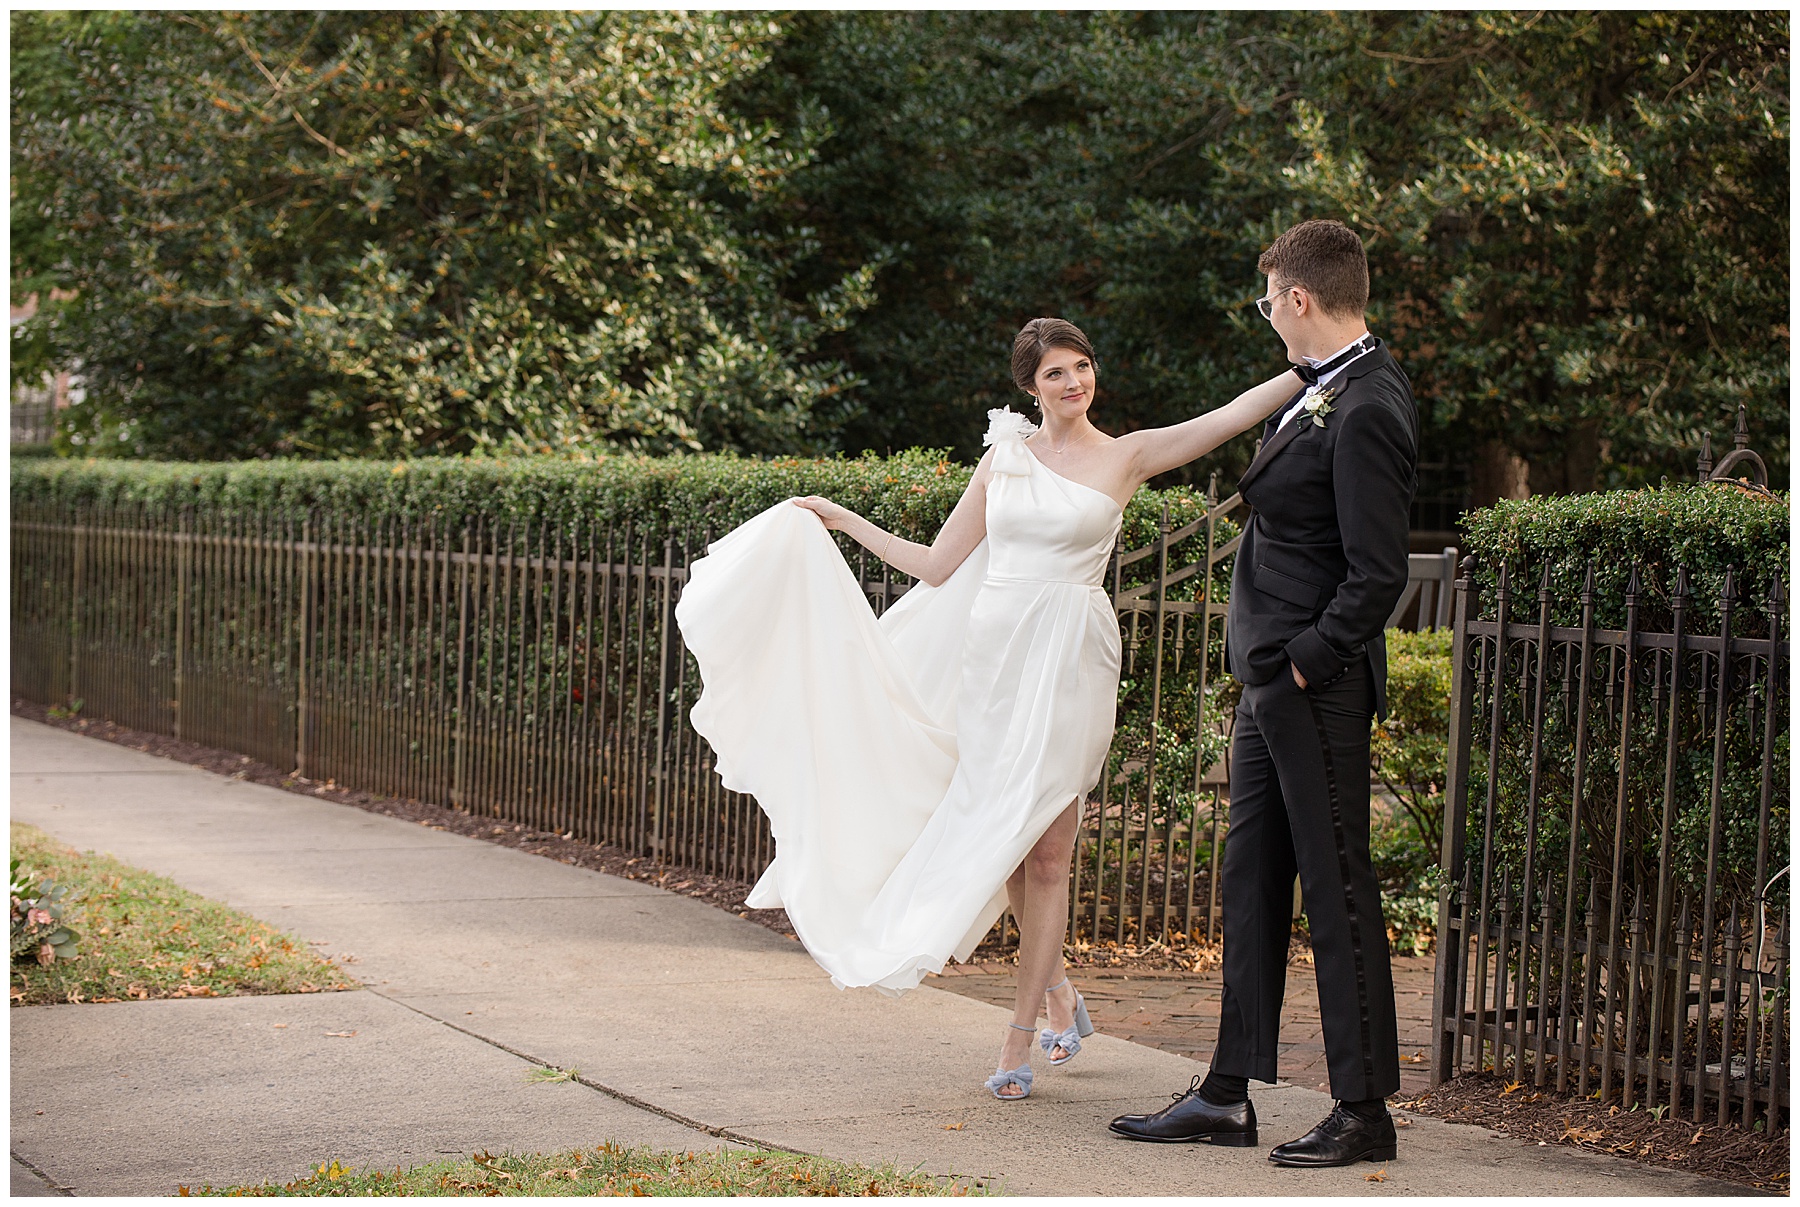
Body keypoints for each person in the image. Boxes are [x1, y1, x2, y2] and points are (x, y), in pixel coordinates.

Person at [675, 318, 1297, 1100]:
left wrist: (1311, 367)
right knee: (1004, 838)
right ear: (1029, 389)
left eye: (1082, 367)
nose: (1074, 383)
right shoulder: (1005, 458)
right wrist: (840, 519)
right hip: (995, 660)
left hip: (1071, 659)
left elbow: (1226, 418)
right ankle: (1063, 995)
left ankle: (1019, 1033)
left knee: (1047, 852)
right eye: (1055, 375)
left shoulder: (1125, 454)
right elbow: (937, 565)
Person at [1107, 219, 1418, 1164]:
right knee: (1251, 881)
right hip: (1268, 687)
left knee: (1336, 890)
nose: (1266, 313)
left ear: (1299, 300)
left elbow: (1377, 572)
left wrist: (1304, 660)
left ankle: (1365, 1110)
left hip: (1309, 685)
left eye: (1268, 297)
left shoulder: (1367, 403)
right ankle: (1226, 1092)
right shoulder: (1318, 391)